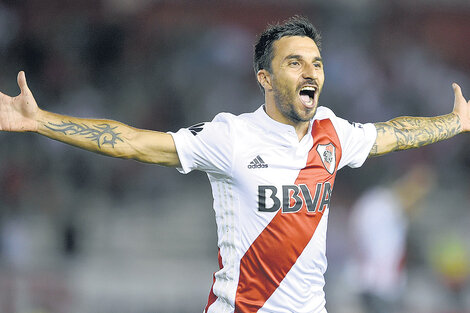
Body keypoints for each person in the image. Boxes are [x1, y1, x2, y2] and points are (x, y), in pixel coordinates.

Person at [0, 16, 468, 313]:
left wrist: (454, 122)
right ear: (264, 77)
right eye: (294, 62)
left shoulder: (334, 132)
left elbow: (394, 134)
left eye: (317, 63)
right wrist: (42, 122)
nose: (311, 72)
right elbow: (135, 144)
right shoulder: (231, 136)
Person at [348, 166, 435, 313]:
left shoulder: (393, 209)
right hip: (375, 286)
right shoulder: (378, 205)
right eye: (418, 194)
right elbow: (362, 240)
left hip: (385, 287)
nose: (419, 202)